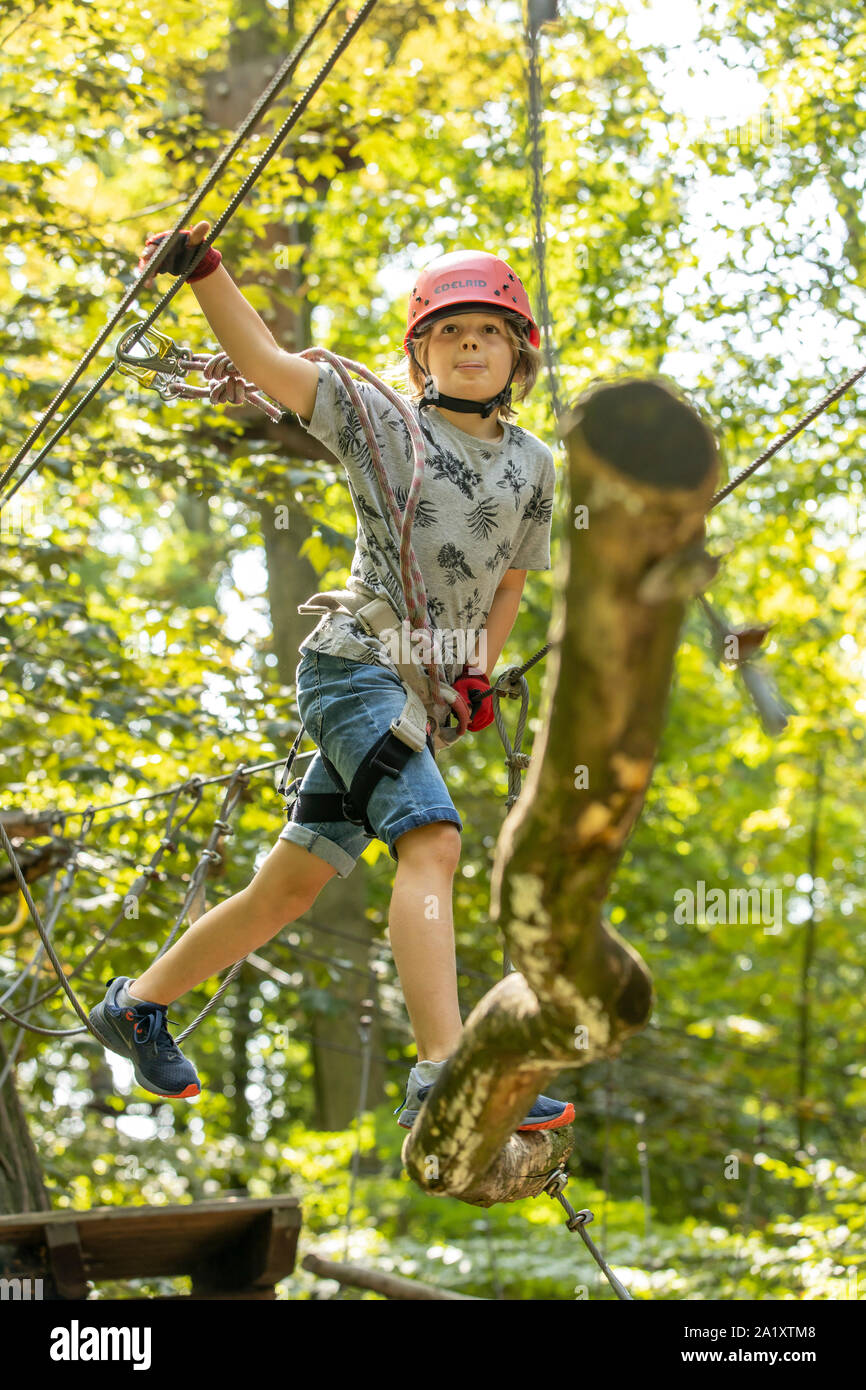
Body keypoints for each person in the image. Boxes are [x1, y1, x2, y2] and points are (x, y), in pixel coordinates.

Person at [89, 224, 574, 1132]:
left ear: (519, 355)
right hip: (354, 668)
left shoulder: (536, 466)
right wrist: (206, 274)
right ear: (422, 352)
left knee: (292, 883)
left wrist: (470, 677)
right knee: (431, 841)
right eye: (451, 333)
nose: (471, 347)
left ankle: (137, 1005)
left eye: (490, 334)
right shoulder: (383, 425)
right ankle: (448, 1069)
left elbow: (507, 580)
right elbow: (270, 363)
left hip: (417, 693)